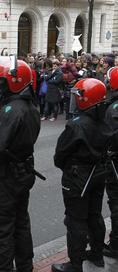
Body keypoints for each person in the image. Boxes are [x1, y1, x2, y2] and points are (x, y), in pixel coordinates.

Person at [0, 57, 41, 272]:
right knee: (21, 223)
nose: (0, 85)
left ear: (15, 82)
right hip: (23, 174)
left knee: (2, 230)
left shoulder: (10, 111)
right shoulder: (30, 108)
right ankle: (25, 266)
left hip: (7, 178)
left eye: (3, 81)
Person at [51, 78, 112, 272]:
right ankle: (97, 254)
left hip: (79, 175)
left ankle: (75, 264)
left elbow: (60, 154)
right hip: (99, 170)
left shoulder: (77, 124)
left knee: (76, 219)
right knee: (94, 215)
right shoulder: (104, 119)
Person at [103, 67, 118, 261]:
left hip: (115, 163)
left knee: (115, 203)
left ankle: (115, 243)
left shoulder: (114, 109)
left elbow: (109, 136)